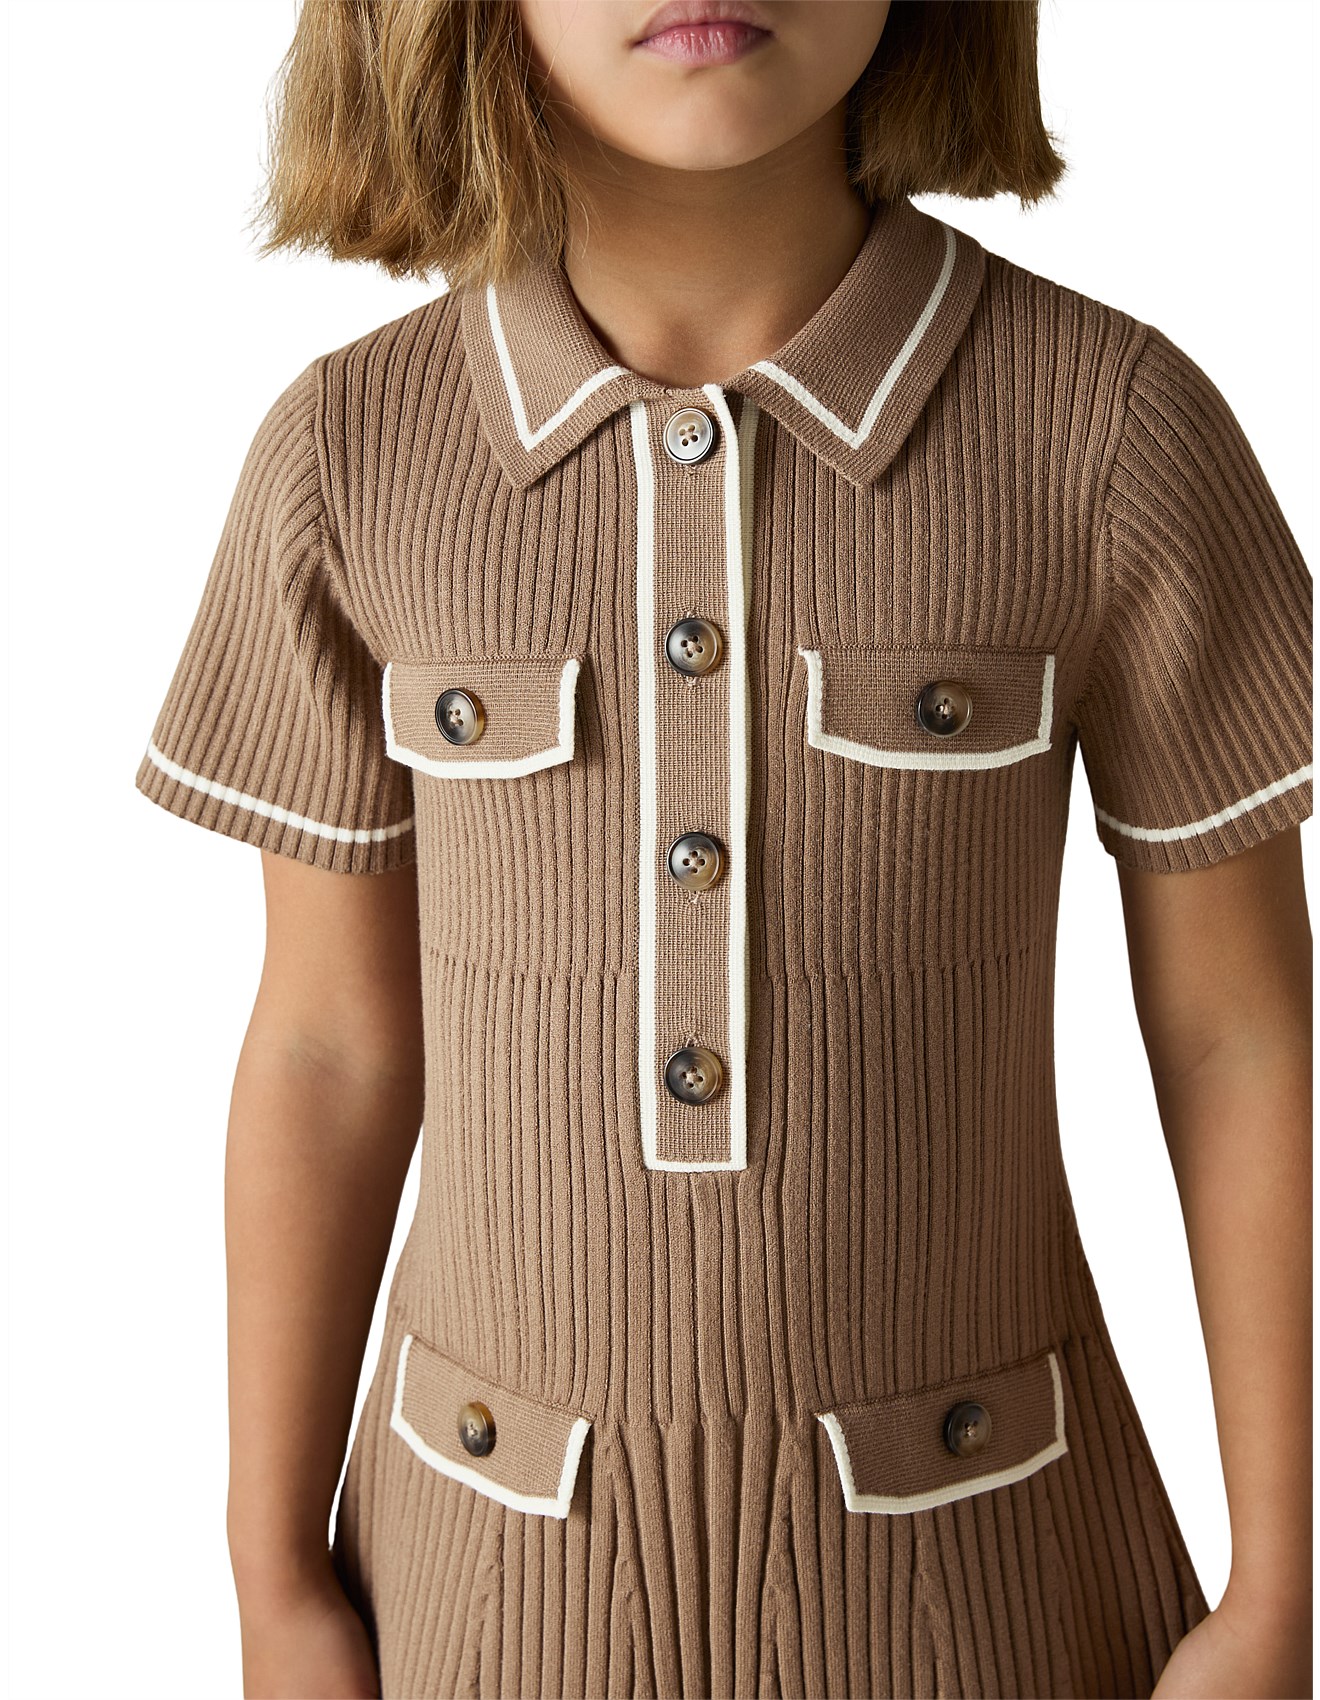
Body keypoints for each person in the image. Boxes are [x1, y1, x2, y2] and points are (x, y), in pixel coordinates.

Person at [133, 3, 1313, 1697]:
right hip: (476, 1587)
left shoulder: (1112, 430)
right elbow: (329, 1046)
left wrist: (1279, 1599)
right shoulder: (350, 455)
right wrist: (273, 1584)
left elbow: (1238, 1036)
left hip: (990, 1582)